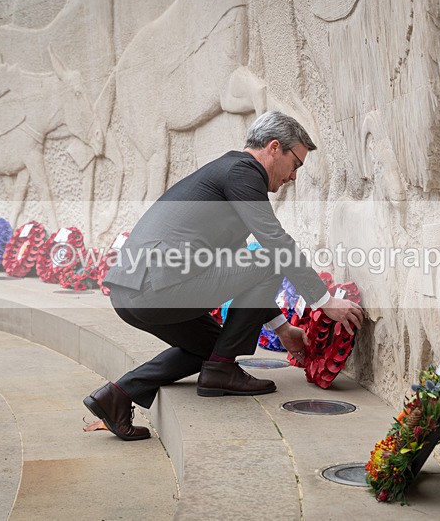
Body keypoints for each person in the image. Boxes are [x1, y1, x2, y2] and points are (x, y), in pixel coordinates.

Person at [83, 111, 364, 440]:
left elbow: (240, 269)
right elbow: (275, 244)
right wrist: (324, 300)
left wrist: (281, 327)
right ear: (275, 148)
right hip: (155, 286)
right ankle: (221, 370)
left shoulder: (230, 173)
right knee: (270, 258)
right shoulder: (243, 172)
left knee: (213, 347)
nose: (293, 177)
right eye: (296, 164)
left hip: (132, 291)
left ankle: (117, 395)